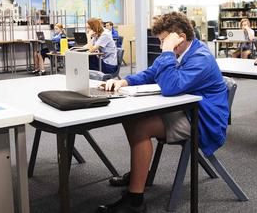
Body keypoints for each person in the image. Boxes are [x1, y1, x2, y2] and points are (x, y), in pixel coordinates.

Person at [98, 12, 229, 213]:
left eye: (163, 42)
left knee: (141, 126)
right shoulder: (178, 52)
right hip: (186, 110)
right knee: (131, 118)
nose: (161, 47)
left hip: (203, 120)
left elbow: (170, 87)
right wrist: (125, 81)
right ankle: (139, 174)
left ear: (181, 38)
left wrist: (168, 51)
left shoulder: (200, 57)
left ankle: (135, 200)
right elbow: (152, 72)